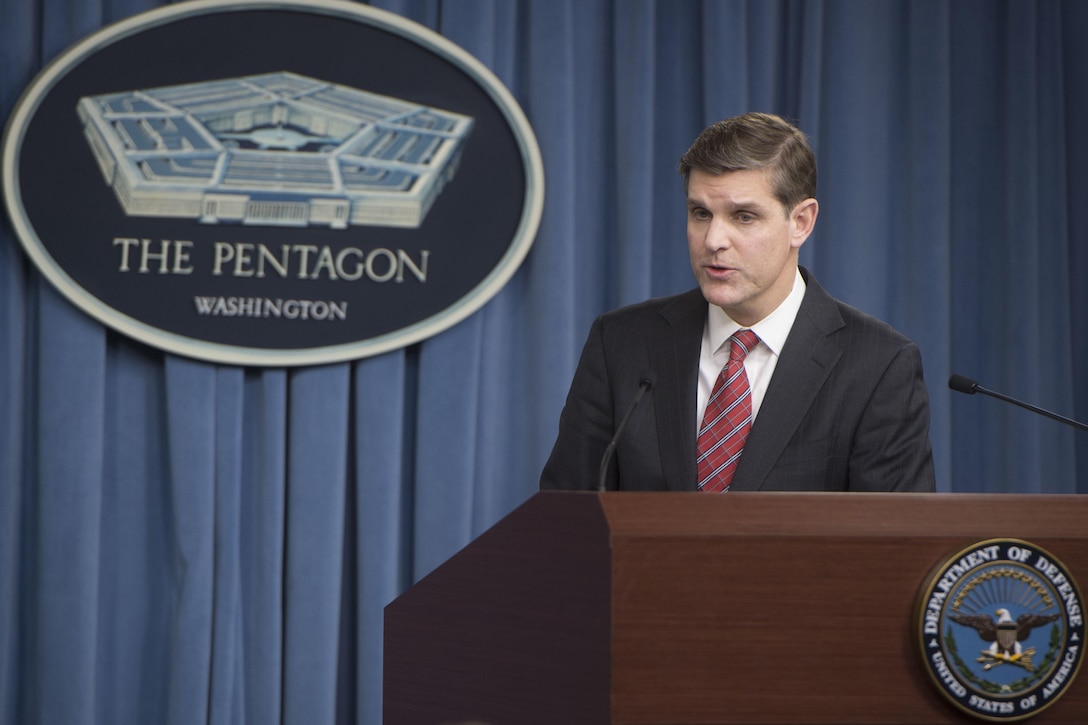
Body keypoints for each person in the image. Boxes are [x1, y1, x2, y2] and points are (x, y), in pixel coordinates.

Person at [540, 112, 935, 492]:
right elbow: (564, 523)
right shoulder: (622, 343)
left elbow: (896, 548)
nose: (713, 240)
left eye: (743, 217)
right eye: (700, 213)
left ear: (801, 222)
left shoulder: (877, 365)